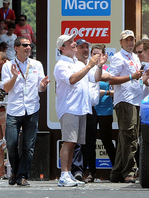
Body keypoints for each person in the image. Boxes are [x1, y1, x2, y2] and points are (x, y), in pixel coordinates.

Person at [95, 30, 146, 184]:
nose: (130, 42)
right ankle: (129, 171)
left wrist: (144, 77)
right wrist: (131, 76)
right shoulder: (118, 57)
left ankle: (116, 172)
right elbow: (110, 79)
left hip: (136, 100)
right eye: (127, 40)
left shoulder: (135, 57)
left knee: (126, 137)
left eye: (132, 39)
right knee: (130, 136)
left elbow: (138, 78)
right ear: (121, 42)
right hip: (125, 101)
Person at [2, 36, 49, 187]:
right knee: (11, 144)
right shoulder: (7, 66)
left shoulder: (37, 64)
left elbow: (40, 88)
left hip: (32, 109)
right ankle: (15, 171)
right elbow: (7, 89)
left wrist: (43, 85)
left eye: (29, 45)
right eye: (25, 45)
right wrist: (14, 77)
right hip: (14, 110)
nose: (28, 47)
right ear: (16, 48)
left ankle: (22, 175)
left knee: (28, 146)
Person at [54, 34, 100, 187]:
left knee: (73, 143)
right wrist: (89, 65)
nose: (74, 43)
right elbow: (72, 79)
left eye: (73, 41)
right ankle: (63, 175)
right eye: (70, 42)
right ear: (62, 48)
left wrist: (98, 65)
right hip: (69, 108)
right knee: (68, 142)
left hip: (80, 109)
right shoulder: (61, 64)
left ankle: (69, 174)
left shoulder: (78, 63)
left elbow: (95, 78)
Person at [69, 38, 101, 183]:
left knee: (89, 142)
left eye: (87, 47)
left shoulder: (92, 66)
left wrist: (99, 66)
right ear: (76, 49)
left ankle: (85, 171)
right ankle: (75, 171)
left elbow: (96, 78)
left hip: (90, 109)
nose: (86, 50)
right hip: (75, 109)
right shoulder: (73, 65)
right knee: (74, 142)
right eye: (82, 47)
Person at [91, 44, 116, 178]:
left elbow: (113, 89)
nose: (96, 56)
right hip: (91, 109)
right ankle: (91, 173)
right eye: (94, 54)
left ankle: (116, 169)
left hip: (105, 110)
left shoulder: (108, 69)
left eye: (99, 54)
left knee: (107, 141)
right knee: (90, 142)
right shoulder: (87, 69)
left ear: (104, 55)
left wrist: (105, 92)